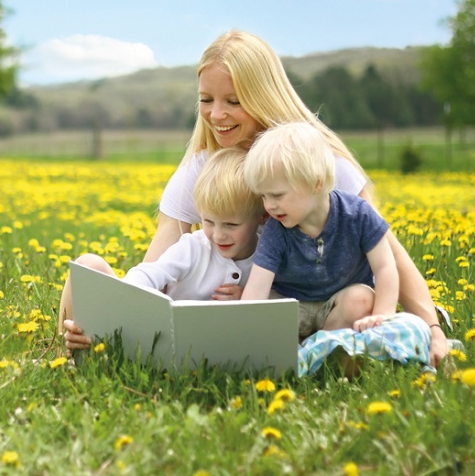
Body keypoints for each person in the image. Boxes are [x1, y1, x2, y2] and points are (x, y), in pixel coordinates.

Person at [139, 30, 449, 367]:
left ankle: (325, 353)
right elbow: (158, 260)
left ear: (263, 97)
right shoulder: (201, 168)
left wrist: (433, 328)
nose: (215, 115)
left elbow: (391, 254)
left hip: (335, 306)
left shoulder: (315, 164)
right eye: (206, 99)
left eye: (234, 101)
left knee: (360, 303)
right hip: (261, 307)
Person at [60, 148, 266, 352]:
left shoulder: (265, 260)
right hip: (156, 340)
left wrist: (246, 298)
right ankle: (65, 352)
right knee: (88, 264)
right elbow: (151, 273)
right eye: (208, 221)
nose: (218, 235)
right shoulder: (194, 247)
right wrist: (128, 301)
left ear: (262, 218)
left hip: (210, 352)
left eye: (231, 225)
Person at [240, 122, 398, 340]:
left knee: (361, 299)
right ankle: (299, 351)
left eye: (277, 195)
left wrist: (382, 316)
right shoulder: (277, 231)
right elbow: (256, 291)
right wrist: (244, 328)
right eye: (263, 196)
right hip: (293, 308)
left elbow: (385, 266)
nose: (269, 206)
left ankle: (323, 348)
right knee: (265, 309)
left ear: (316, 183)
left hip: (337, 310)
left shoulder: (357, 214)